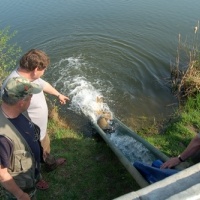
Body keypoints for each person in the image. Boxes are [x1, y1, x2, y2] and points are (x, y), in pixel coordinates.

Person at [1, 49, 70, 190]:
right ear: (36, 69)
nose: (44, 73)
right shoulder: (14, 86)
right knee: (32, 159)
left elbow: (43, 85)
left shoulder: (30, 77)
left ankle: (50, 164)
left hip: (38, 130)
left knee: (44, 150)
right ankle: (37, 178)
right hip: (27, 136)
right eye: (43, 69)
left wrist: (58, 95)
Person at [0, 77, 43, 200]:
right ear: (21, 102)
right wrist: (20, 195)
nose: (31, 100)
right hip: (20, 188)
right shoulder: (2, 137)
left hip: (30, 174)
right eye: (30, 97)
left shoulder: (20, 112)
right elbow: (2, 174)